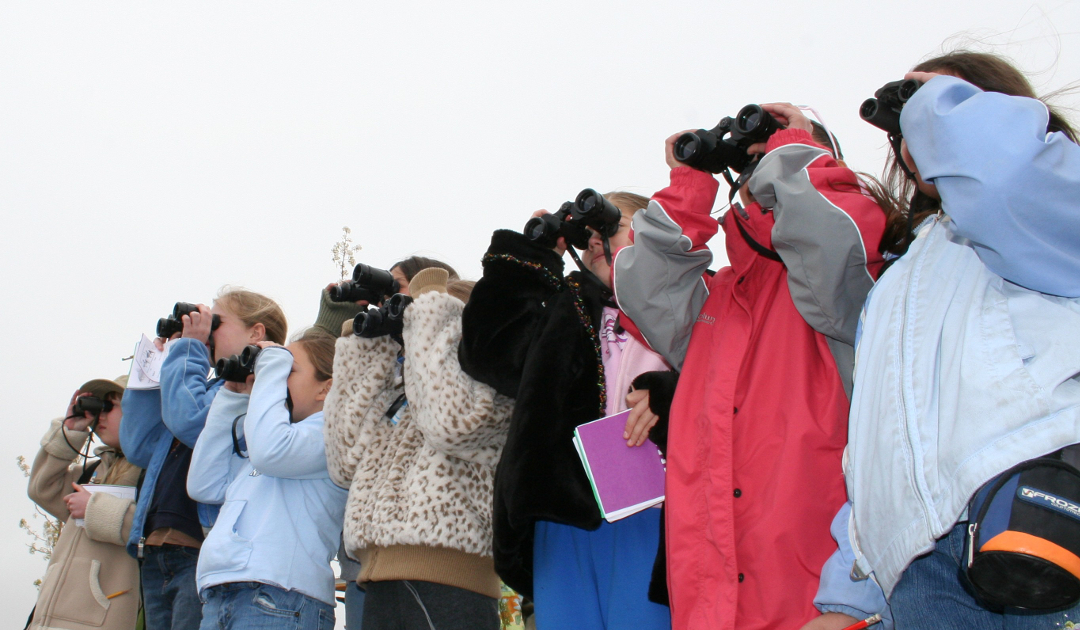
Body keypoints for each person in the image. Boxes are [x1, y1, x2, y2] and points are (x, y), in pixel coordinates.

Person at [612, 112, 886, 630]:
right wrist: (692, 184)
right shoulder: (719, 302)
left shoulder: (848, 287)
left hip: (820, 604)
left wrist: (793, 144)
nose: (764, 176)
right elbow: (643, 288)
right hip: (713, 605)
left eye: (776, 163)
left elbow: (832, 239)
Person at [837, 51, 1080, 629]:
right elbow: (874, 444)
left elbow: (1006, 180)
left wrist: (940, 106)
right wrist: (851, 594)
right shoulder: (896, 278)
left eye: (944, 108)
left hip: (1038, 500)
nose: (919, 128)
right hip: (916, 563)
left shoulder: (1049, 206)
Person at [458, 192, 677, 630]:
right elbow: (485, 353)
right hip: (562, 513)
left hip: (656, 512)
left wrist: (670, 395)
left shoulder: (692, 296)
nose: (597, 240)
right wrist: (531, 258)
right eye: (589, 233)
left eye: (611, 226)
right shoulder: (568, 306)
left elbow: (731, 379)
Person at [324, 258, 512, 630]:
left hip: (451, 583)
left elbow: (450, 424)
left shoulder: (493, 388)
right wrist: (365, 346)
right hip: (378, 577)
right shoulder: (401, 395)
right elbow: (344, 461)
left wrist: (432, 308)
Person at [121, 288, 287, 630]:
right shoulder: (200, 385)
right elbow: (138, 445)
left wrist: (188, 350)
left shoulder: (250, 392)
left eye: (215, 323)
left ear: (256, 333)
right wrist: (153, 373)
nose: (205, 331)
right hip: (155, 547)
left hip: (199, 548)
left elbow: (191, 421)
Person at [188, 326, 347, 630]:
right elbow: (204, 483)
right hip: (225, 589)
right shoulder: (270, 437)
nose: (274, 378)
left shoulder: (333, 436)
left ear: (325, 389)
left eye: (289, 370)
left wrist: (272, 363)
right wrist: (233, 395)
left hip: (282, 595)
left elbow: (271, 452)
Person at [27, 376, 142, 630]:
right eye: (98, 406)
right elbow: (41, 489)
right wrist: (71, 432)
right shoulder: (91, 472)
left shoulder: (154, 473)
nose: (99, 415)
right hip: (48, 620)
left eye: (109, 407)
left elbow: (157, 534)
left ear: (139, 410)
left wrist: (94, 509)